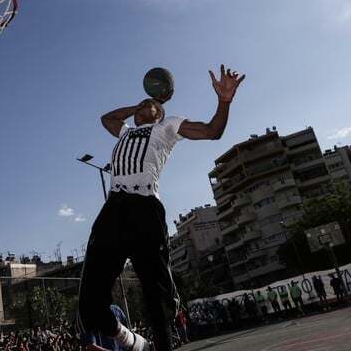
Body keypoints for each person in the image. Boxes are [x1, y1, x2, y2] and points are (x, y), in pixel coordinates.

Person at [75, 64, 246, 351]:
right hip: (113, 210)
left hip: (145, 209)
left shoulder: (167, 128)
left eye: (150, 105)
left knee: (155, 293)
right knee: (90, 302)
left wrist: (224, 101)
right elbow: (106, 118)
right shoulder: (126, 131)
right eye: (141, 104)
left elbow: (212, 131)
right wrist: (143, 104)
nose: (143, 106)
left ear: (161, 113)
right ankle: (134, 343)